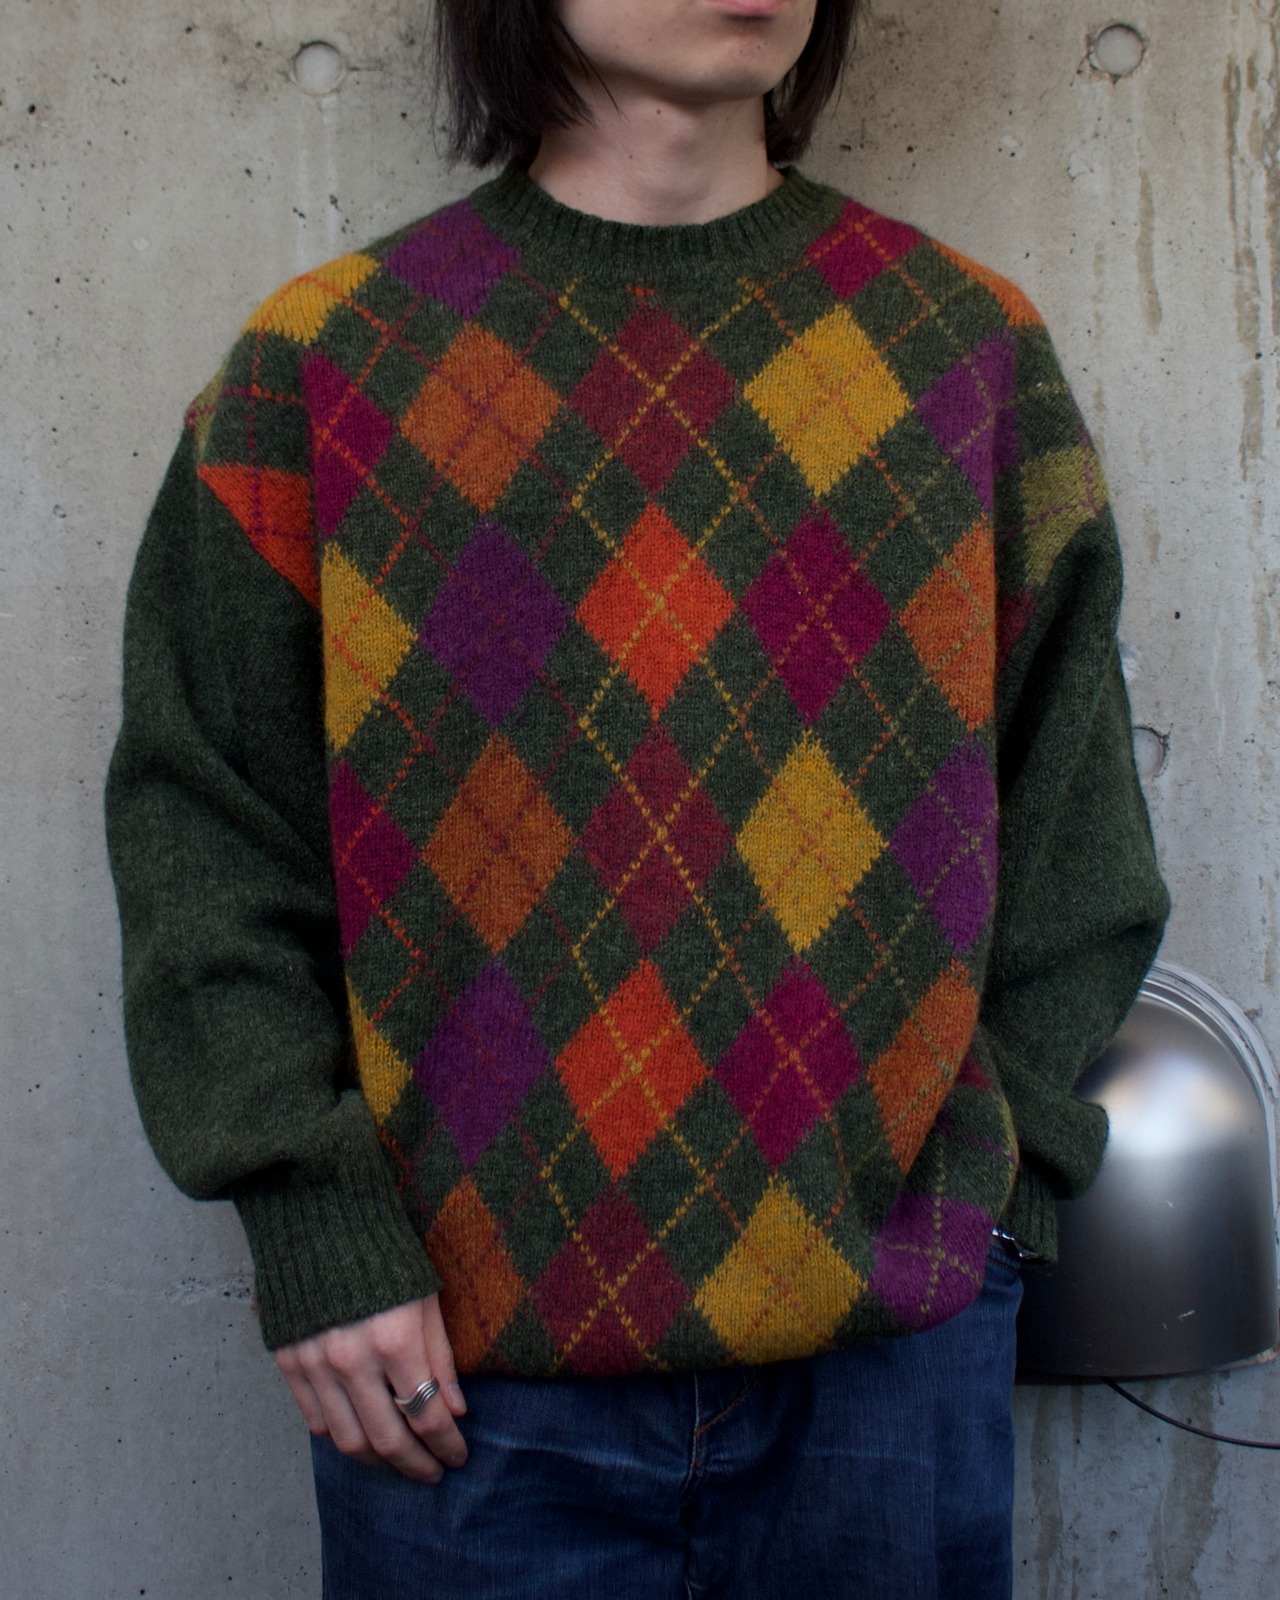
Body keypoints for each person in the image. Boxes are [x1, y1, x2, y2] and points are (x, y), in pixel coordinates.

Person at [105, 1, 1170, 1595]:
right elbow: (205, 830)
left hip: (889, 1361)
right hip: (458, 1380)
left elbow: (1076, 827)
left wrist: (993, 1203)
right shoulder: (324, 368)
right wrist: (316, 1231)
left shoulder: (963, 355)